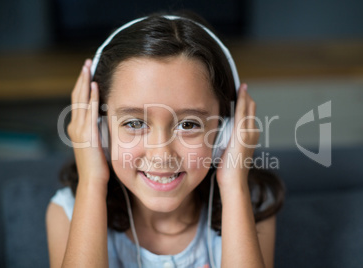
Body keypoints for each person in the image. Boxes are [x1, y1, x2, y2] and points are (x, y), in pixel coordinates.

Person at [46, 11, 284, 268]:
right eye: (134, 123)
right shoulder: (67, 213)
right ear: (100, 131)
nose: (161, 155)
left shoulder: (253, 206)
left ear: (224, 133)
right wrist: (92, 181)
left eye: (188, 124)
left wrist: (233, 185)